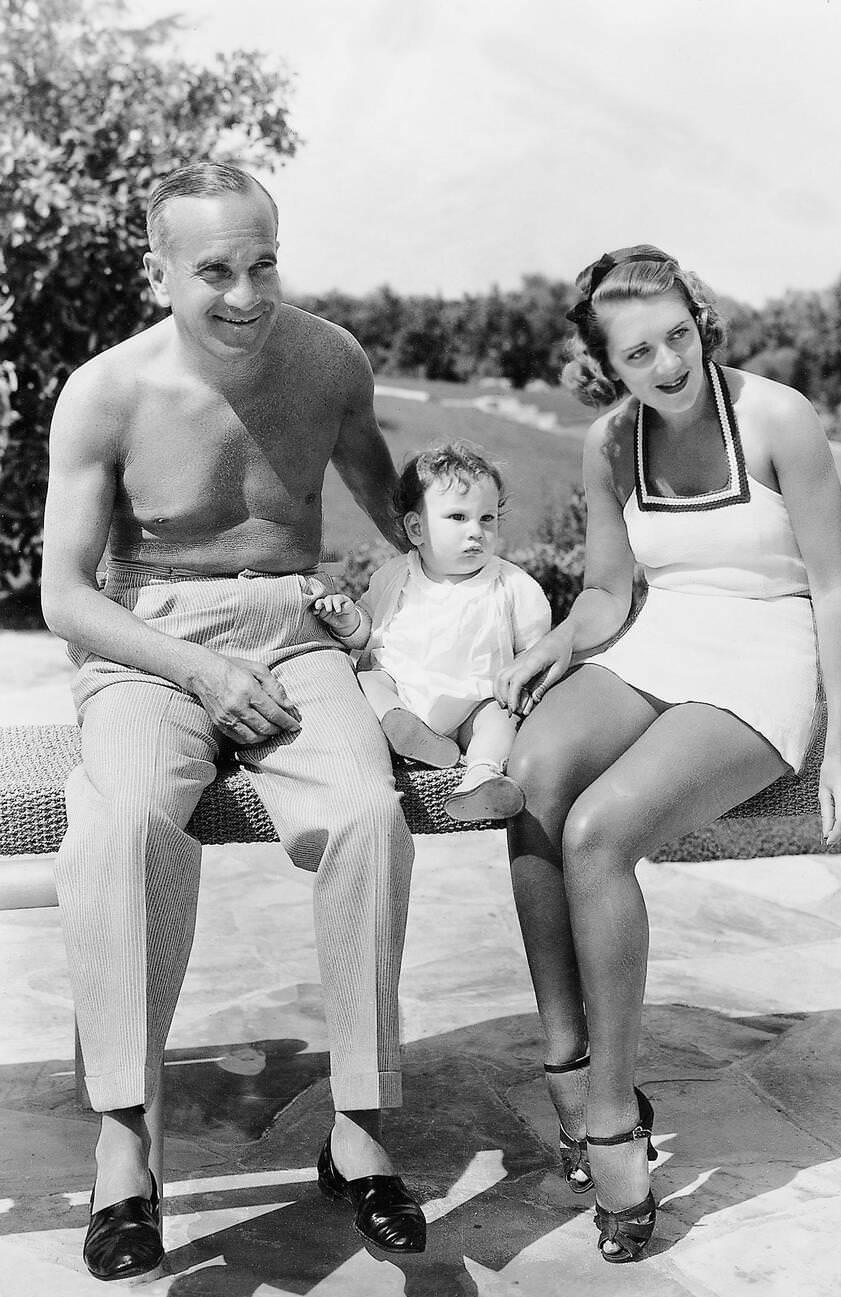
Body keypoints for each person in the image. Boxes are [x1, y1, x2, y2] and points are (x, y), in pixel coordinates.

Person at [40, 162, 426, 1282]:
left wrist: (417, 616)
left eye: (263, 261)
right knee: (120, 834)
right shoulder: (105, 392)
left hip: (297, 629)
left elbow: (404, 523)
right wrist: (198, 673)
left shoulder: (330, 361)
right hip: (149, 638)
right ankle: (127, 1148)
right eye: (214, 269)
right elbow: (67, 596)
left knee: (366, 815)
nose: (247, 293)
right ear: (157, 267)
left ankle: (356, 1127)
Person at [495, 245, 841, 1264]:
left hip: (764, 650)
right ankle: (568, 1062)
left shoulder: (779, 418)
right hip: (660, 639)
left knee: (600, 828)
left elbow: (834, 586)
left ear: (702, 320)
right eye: (637, 354)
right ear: (605, 368)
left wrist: (840, 745)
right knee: (527, 780)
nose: (666, 364)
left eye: (677, 336)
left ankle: (614, 1121)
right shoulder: (610, 444)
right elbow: (612, 592)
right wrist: (559, 642)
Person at [311, 442, 552, 821]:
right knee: (370, 679)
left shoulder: (514, 586)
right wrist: (347, 621)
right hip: (405, 696)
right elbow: (367, 631)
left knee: (499, 717)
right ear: (416, 528)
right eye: (458, 517)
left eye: (486, 519)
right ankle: (402, 729)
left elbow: (534, 650)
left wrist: (523, 678)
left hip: (475, 703)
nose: (476, 532)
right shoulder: (395, 576)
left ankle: (481, 774)